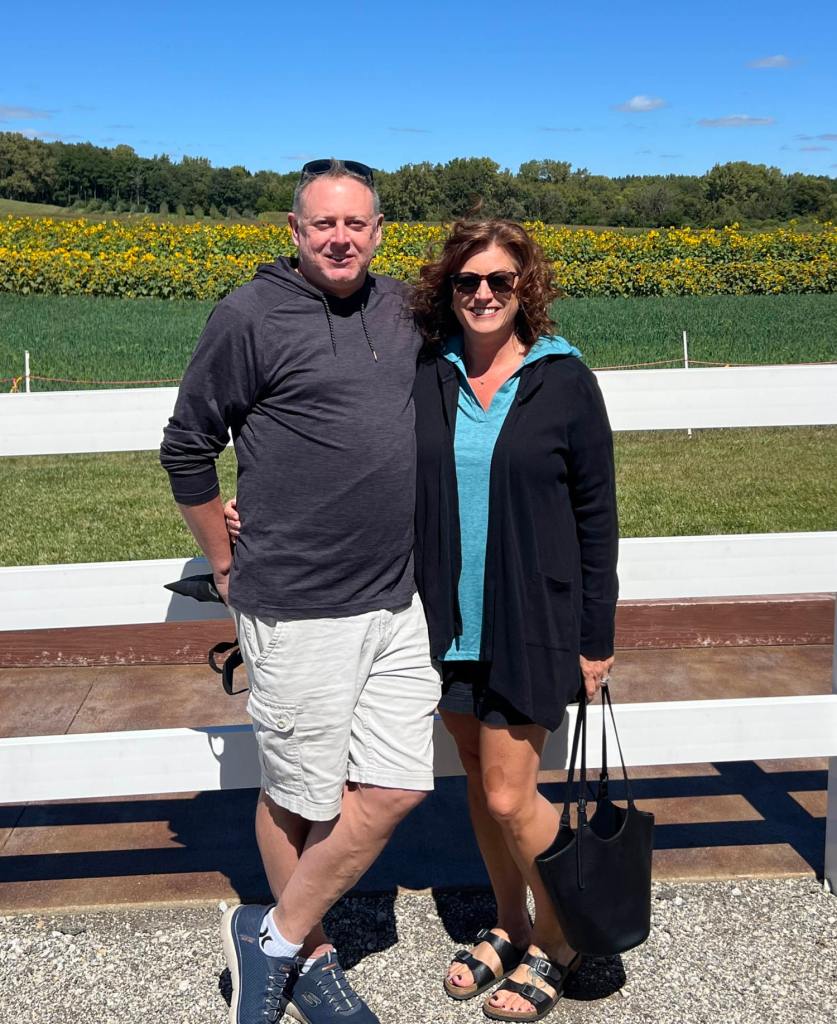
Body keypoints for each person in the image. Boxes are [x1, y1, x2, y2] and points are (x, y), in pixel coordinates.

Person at [160, 159, 441, 1024]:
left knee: (396, 787)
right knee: (298, 795)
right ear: (293, 230)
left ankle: (271, 936)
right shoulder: (247, 316)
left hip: (399, 598)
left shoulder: (402, 311)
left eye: (356, 223)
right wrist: (226, 562)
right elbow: (185, 448)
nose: (339, 238)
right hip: (296, 602)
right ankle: (312, 959)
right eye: (322, 223)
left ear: (380, 231)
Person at [410, 219, 619, 1021]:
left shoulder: (563, 380)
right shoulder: (432, 372)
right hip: (444, 620)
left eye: (500, 280)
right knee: (473, 777)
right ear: (448, 290)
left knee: (508, 795)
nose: (484, 295)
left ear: (524, 287)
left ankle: (562, 940)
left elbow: (596, 514)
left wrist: (594, 635)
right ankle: (507, 920)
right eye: (468, 282)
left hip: (531, 617)